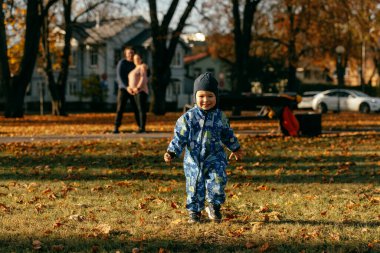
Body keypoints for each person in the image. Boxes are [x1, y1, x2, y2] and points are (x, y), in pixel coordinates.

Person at [163, 72, 243, 223]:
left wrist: (236, 148)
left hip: (216, 158)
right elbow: (180, 137)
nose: (205, 100)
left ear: (216, 97)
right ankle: (194, 211)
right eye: (201, 96)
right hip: (194, 160)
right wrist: (172, 152)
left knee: (217, 181)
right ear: (195, 97)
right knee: (194, 185)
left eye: (210, 96)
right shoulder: (188, 118)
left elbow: (227, 134)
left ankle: (214, 206)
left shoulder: (220, 117)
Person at [113, 47, 136, 134]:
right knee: (120, 108)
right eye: (129, 53)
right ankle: (116, 127)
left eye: (132, 53)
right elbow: (120, 77)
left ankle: (141, 127)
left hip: (133, 90)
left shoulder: (135, 64)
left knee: (137, 108)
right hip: (123, 89)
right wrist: (127, 87)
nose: (131, 55)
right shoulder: (122, 63)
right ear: (126, 54)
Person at [127, 52, 149, 133]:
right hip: (134, 92)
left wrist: (138, 87)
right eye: (134, 59)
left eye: (137, 58)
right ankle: (139, 126)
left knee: (141, 109)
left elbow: (144, 78)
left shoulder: (142, 67)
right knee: (137, 109)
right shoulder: (135, 68)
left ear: (141, 59)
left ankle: (142, 128)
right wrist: (129, 88)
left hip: (141, 91)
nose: (136, 60)